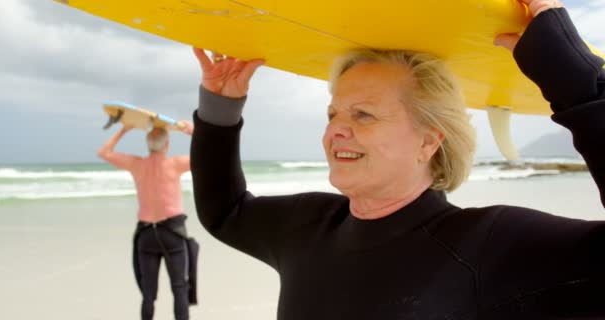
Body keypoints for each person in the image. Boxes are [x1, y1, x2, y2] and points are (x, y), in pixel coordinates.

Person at [190, 0, 605, 318]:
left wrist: (578, 81)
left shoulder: (486, 245)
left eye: (363, 115)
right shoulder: (307, 225)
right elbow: (224, 211)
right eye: (333, 113)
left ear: (429, 141)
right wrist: (220, 107)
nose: (336, 130)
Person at [98, 123, 199, 320]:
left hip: (146, 234)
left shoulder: (136, 164)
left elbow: (104, 152)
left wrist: (124, 130)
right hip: (172, 232)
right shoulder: (175, 163)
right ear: (167, 144)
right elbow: (209, 152)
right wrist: (191, 131)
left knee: (148, 295)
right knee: (179, 289)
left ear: (148, 144)